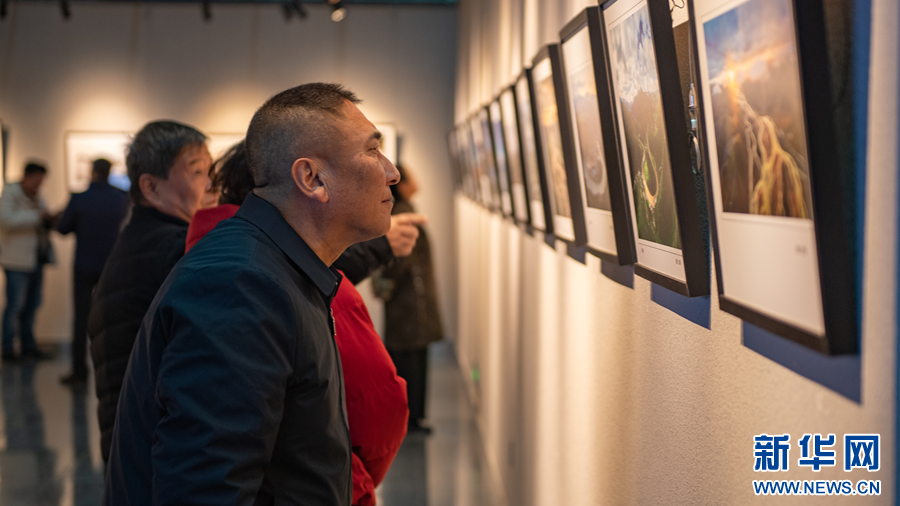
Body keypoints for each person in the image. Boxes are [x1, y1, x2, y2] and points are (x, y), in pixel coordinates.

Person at [105, 83, 399, 505]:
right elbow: (206, 491)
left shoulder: (278, 269)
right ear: (311, 178)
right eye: (372, 151)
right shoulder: (240, 285)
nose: (392, 171)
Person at [186, 140, 409, 506]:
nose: (390, 172)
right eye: (370, 153)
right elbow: (379, 406)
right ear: (304, 181)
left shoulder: (203, 254)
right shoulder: (293, 280)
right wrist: (351, 476)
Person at [87, 121, 211, 462]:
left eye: (208, 171)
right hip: (151, 441)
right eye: (197, 172)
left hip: (133, 436)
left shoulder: (144, 237)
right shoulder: (172, 246)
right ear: (151, 186)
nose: (209, 184)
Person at [377, 164, 444, 435]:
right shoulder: (403, 213)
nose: (416, 181)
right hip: (409, 299)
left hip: (408, 298)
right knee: (409, 361)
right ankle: (409, 418)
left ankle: (411, 417)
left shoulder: (401, 210)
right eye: (411, 177)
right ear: (402, 185)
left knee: (411, 359)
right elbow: (400, 257)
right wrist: (386, 283)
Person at [56, 159, 130, 387]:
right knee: (114, 318)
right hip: (111, 264)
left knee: (81, 318)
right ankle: (114, 372)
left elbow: (63, 228)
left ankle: (79, 372)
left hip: (84, 265)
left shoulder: (80, 198)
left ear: (93, 172)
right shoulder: (121, 198)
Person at [0, 163, 55, 362]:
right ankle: (8, 348)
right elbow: (5, 219)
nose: (39, 185)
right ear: (27, 177)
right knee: (15, 305)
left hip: (36, 258)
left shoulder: (37, 197)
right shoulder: (11, 193)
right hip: (16, 260)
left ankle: (28, 347)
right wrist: (38, 215)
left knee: (32, 305)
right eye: (37, 180)